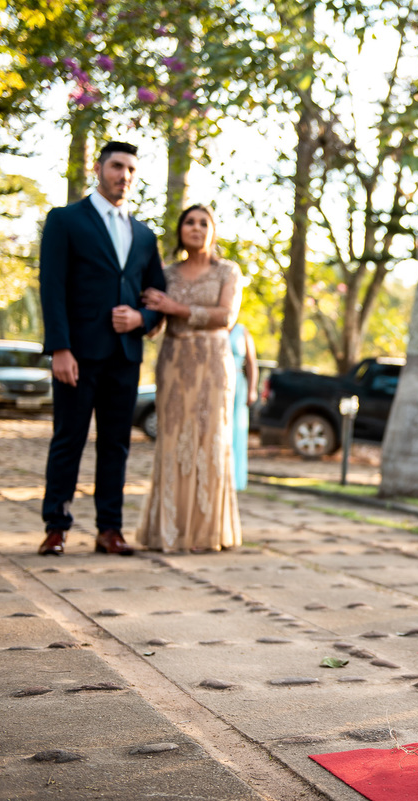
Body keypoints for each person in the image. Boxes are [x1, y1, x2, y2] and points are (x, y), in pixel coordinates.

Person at [37, 141, 166, 557]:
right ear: (98, 167)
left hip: (125, 357)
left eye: (130, 168)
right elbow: (52, 287)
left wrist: (141, 321)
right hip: (77, 354)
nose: (123, 175)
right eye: (116, 166)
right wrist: (59, 347)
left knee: (116, 445)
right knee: (68, 440)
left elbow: (156, 295)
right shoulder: (65, 220)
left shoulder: (144, 234)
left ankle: (109, 530)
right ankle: (56, 527)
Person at [135, 204, 243, 553]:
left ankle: (206, 532)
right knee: (173, 440)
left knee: (209, 439)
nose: (196, 228)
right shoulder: (166, 274)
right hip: (174, 362)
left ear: (213, 230)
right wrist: (143, 317)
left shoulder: (228, 271)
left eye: (203, 223)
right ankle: (169, 529)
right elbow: (155, 322)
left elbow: (225, 317)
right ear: (180, 230)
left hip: (212, 363)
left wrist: (176, 308)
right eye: (189, 223)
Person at [229, 322, 258, 492]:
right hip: (216, 383)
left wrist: (252, 390)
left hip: (238, 384)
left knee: (236, 430)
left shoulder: (242, 331)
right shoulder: (215, 327)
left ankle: (236, 478)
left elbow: (251, 362)